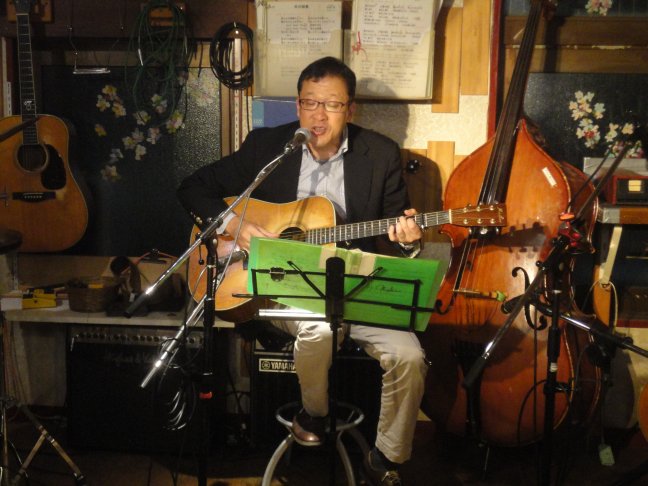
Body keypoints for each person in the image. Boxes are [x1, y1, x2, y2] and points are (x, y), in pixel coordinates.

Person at [177, 56, 427, 486]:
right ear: (297, 105)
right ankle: (314, 412)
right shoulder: (268, 147)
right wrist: (236, 225)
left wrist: (407, 240)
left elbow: (392, 236)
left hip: (356, 290)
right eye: (310, 102)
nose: (319, 115)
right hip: (284, 288)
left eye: (332, 104)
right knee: (319, 329)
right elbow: (193, 188)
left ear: (350, 109)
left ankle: (386, 457)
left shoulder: (381, 154)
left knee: (410, 356)